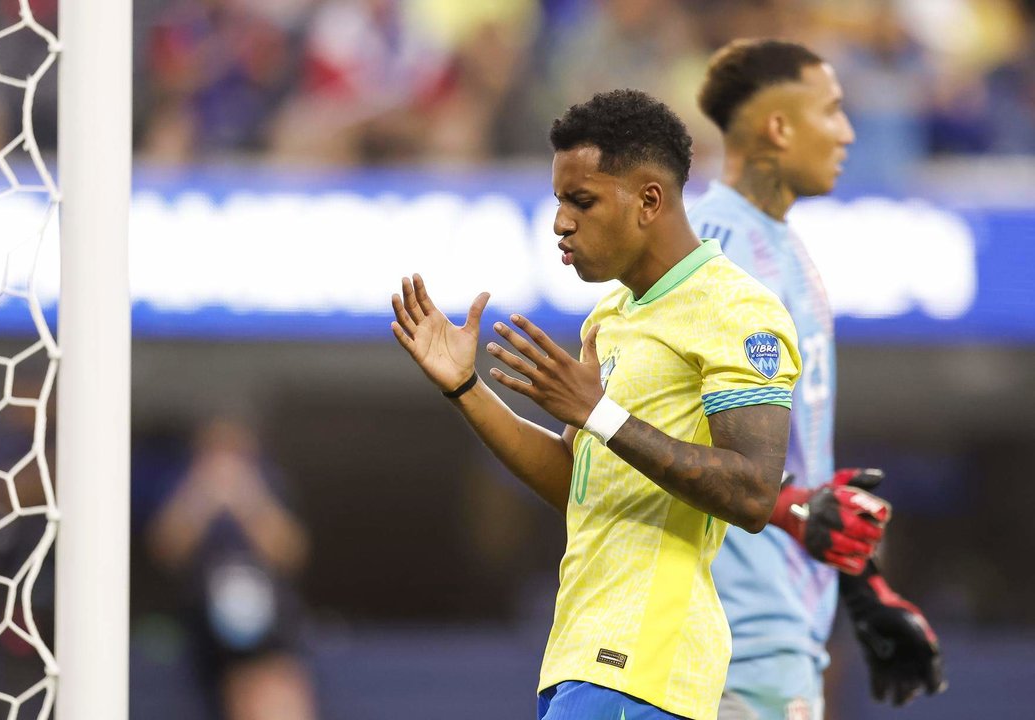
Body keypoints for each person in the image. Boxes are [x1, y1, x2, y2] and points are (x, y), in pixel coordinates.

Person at [391, 89, 801, 720]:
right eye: (559, 200)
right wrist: (466, 390)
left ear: (649, 200)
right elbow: (582, 484)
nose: (560, 222)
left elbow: (753, 493)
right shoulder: (608, 318)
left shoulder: (737, 310)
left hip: (644, 663)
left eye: (580, 201)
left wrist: (602, 415)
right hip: (581, 657)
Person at [689, 39, 947, 719]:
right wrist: (792, 514)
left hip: (783, 634)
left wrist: (859, 584)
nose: (848, 131)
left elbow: (788, 461)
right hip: (726, 642)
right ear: (779, 127)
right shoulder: (710, 249)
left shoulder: (783, 245)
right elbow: (655, 435)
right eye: (832, 111)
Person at [147, 417, 317, 720]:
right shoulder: (181, 489)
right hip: (205, 639)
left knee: (270, 692)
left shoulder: (269, 486)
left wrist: (248, 501)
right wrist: (199, 497)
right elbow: (165, 549)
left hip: (270, 637)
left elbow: (291, 552)